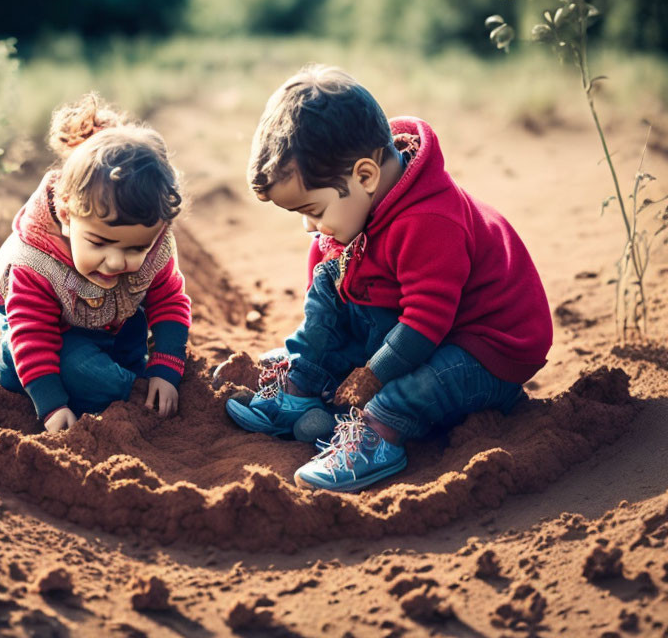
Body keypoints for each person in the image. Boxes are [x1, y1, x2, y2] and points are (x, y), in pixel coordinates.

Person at [224, 65, 552, 492]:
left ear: (365, 176)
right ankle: (304, 384)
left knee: (419, 384)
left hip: (484, 349)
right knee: (329, 277)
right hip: (420, 327)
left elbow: (425, 322)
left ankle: (378, 433)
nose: (309, 227)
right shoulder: (360, 205)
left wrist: (374, 374)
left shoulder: (431, 222)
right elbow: (331, 291)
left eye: (314, 211)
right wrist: (327, 348)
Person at [0, 93, 191, 432]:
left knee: (115, 370)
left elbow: (170, 301)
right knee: (75, 372)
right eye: (99, 243)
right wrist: (51, 406)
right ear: (66, 215)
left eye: (136, 248)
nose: (116, 261)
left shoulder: (154, 242)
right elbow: (34, 335)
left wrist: (165, 368)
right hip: (44, 323)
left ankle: (118, 375)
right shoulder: (35, 266)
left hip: (113, 314)